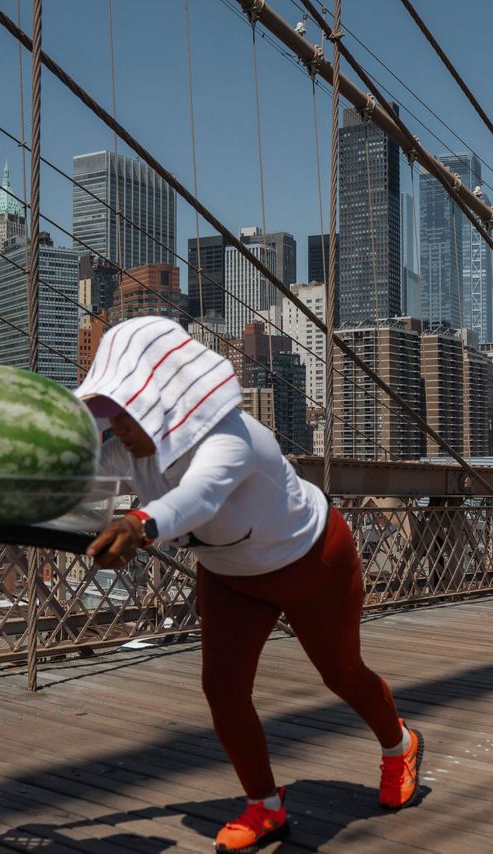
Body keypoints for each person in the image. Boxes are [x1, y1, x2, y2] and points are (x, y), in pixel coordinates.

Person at [77, 317, 423, 853]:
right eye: (112, 409)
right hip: (231, 577)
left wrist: (139, 523)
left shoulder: (234, 438)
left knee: (342, 675)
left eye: (129, 408)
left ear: (166, 401)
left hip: (313, 564)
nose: (116, 423)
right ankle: (265, 806)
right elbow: (72, 478)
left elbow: (199, 495)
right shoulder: (129, 451)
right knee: (223, 691)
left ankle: (399, 745)